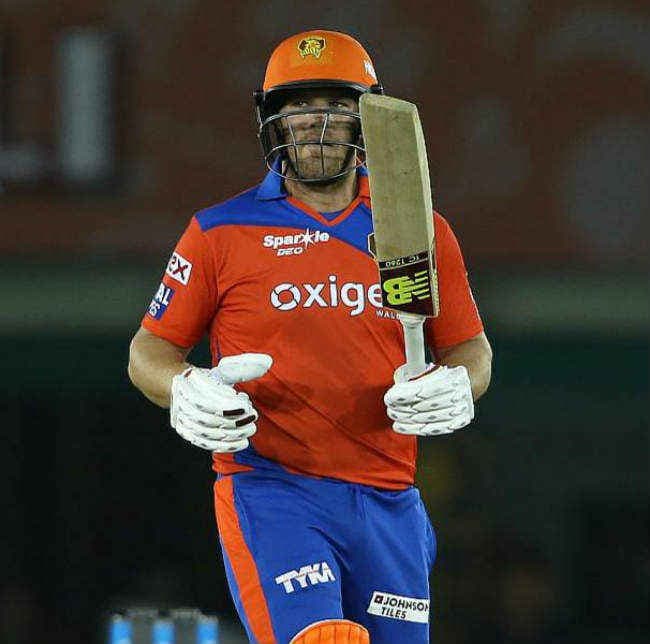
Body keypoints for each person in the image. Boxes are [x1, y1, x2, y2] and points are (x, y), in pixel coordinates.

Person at [128, 29, 492, 644]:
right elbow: (148, 351)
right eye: (299, 105)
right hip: (273, 488)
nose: (317, 123)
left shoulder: (416, 228)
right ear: (274, 120)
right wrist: (184, 386)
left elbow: (469, 348)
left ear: (366, 120)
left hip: (389, 499)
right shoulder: (220, 232)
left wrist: (461, 383)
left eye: (336, 105)